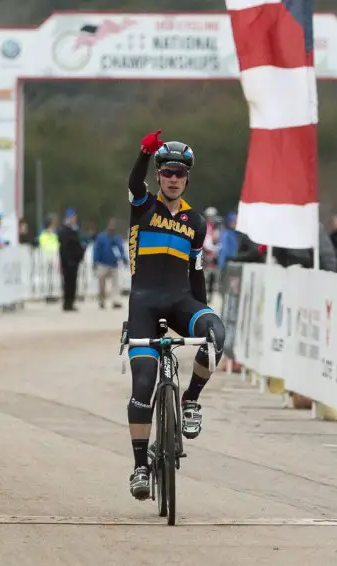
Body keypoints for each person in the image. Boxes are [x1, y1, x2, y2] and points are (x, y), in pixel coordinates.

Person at [125, 129, 226, 500]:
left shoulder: (196, 222)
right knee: (143, 384)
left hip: (181, 300)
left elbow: (196, 273)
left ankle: (191, 400)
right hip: (144, 305)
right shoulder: (142, 204)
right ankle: (139, 466)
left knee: (216, 332)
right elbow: (133, 180)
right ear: (158, 175)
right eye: (166, 172)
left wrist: (201, 313)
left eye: (180, 173)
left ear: (187, 179)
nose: (173, 178)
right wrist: (143, 152)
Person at [93, 218, 125, 309]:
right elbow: (97, 249)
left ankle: (115, 301)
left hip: (114, 264)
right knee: (101, 283)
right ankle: (101, 300)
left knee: (116, 284)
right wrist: (95, 261)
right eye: (111, 224)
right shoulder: (101, 237)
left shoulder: (117, 238)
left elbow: (121, 249)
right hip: (103, 263)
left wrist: (123, 257)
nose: (112, 226)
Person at [58, 208, 85, 312]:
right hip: (68, 261)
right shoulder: (64, 231)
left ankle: (71, 302)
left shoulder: (74, 230)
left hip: (74, 261)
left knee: (73, 282)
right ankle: (67, 303)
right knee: (68, 282)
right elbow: (66, 247)